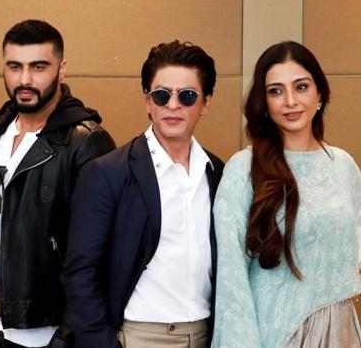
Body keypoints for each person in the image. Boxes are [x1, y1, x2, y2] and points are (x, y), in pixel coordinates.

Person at [62, 40, 224, 348]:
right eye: (162, 95)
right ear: (147, 101)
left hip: (207, 335)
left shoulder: (216, 172)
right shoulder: (108, 173)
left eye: (187, 96)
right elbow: (80, 274)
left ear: (206, 103)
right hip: (137, 336)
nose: (173, 105)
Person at [0, 19, 116, 348]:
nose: (25, 79)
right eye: (14, 66)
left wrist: (65, 338)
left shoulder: (86, 141)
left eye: (38, 67)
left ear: (61, 70)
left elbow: (99, 256)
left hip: (45, 333)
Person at [212, 41, 361, 347]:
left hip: (341, 331)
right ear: (264, 103)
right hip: (276, 336)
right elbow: (231, 277)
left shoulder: (344, 165)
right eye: (276, 91)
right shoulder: (244, 169)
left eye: (301, 87)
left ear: (320, 93)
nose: (290, 101)